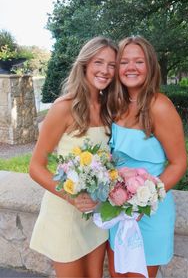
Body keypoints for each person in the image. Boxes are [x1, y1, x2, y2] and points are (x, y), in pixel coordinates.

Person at [29, 36, 118, 278]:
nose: (106, 70)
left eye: (112, 65)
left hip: (96, 213)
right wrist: (72, 197)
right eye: (99, 62)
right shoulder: (63, 107)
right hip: (66, 214)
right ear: (85, 64)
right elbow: (35, 167)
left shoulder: (110, 108)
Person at [107, 36, 187, 278]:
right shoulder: (116, 104)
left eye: (139, 61)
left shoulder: (159, 106)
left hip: (149, 211)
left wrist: (143, 200)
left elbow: (179, 163)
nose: (131, 67)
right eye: (124, 62)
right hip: (118, 210)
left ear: (150, 66)